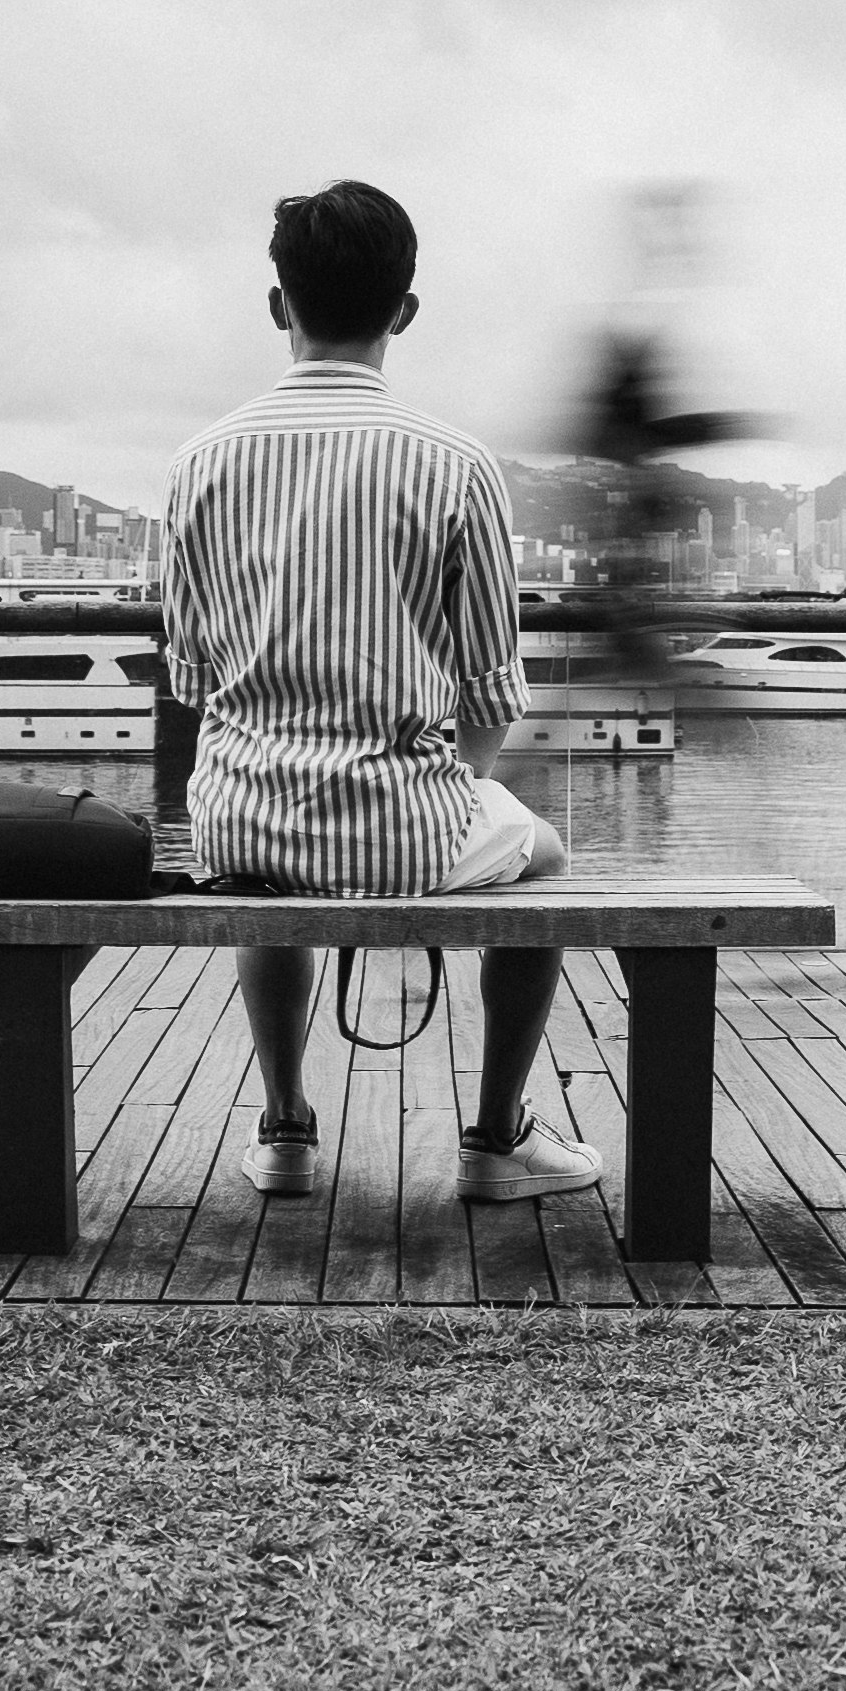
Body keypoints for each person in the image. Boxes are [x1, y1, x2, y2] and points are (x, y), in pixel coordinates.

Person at [151, 181, 589, 1204]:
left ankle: (287, 1130)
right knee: (551, 857)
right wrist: (454, 791)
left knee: (267, 893)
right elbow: (488, 694)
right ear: (405, 312)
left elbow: (191, 676)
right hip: (404, 821)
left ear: (277, 308)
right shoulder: (456, 463)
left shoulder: (199, 462)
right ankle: (496, 1140)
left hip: (241, 821)